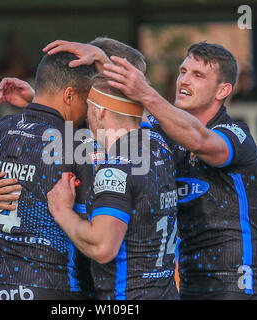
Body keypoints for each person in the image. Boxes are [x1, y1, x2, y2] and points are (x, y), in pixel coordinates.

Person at [97, 41, 257, 299]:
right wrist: (38, 101)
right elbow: (114, 116)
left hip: (237, 288)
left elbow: (200, 140)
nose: (184, 81)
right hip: (186, 287)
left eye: (197, 75)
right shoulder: (165, 131)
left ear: (223, 90)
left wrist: (145, 93)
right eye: (183, 72)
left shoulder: (237, 135)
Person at [0, 51, 98, 300]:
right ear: (69, 95)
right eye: (87, 101)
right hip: (50, 287)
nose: (88, 110)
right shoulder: (79, 145)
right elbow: (95, 239)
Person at [46, 75, 179, 300]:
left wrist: (62, 211)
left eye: (88, 108)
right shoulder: (160, 146)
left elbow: (102, 248)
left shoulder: (115, 168)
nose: (85, 117)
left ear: (99, 112)